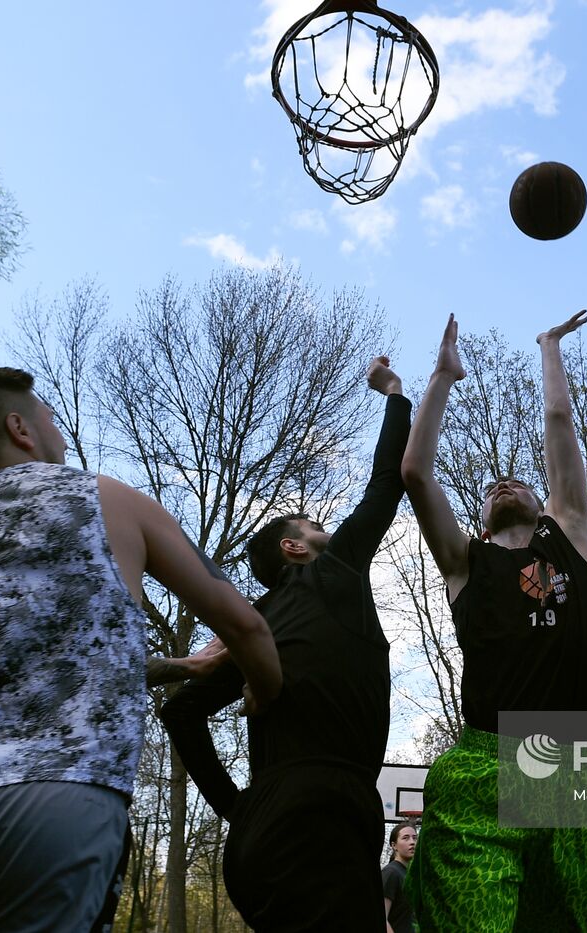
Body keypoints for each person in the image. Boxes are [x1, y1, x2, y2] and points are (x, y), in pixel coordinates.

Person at [0, 367, 282, 933]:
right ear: (20, 428)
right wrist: (262, 694)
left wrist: (181, 667)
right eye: (50, 420)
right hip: (54, 797)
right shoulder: (105, 497)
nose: (60, 436)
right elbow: (247, 628)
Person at [159, 355, 410, 932]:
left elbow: (183, 712)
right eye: (314, 527)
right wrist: (394, 393)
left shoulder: (254, 632)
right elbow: (386, 481)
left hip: (271, 828)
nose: (328, 530)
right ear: (295, 549)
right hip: (315, 816)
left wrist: (240, 809)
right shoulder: (332, 574)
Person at [400, 313, 587, 933]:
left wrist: (549, 347)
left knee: (564, 922)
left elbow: (559, 423)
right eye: (492, 488)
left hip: (575, 766)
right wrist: (443, 377)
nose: (503, 486)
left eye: (516, 481)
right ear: (482, 517)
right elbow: (416, 474)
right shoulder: (466, 562)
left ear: (542, 503)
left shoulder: (570, 536)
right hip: (488, 762)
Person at [382, 821, 418, 933]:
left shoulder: (410, 874)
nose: (412, 842)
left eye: (415, 838)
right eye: (406, 838)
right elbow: (381, 917)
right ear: (394, 845)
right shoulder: (391, 872)